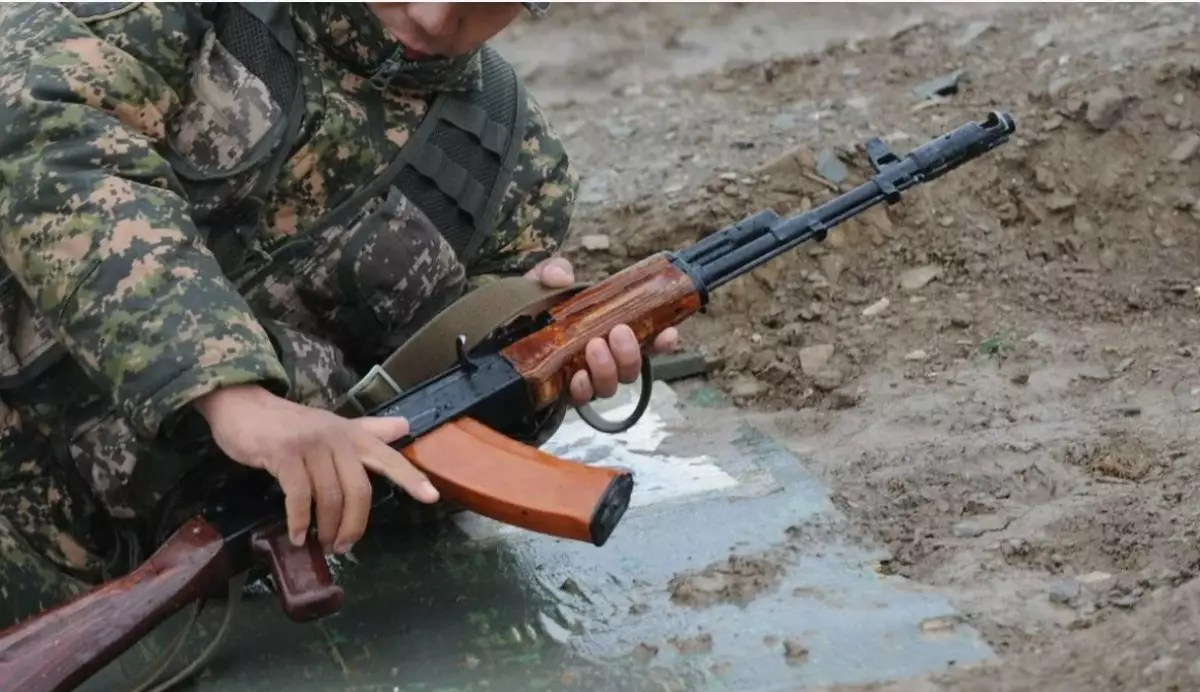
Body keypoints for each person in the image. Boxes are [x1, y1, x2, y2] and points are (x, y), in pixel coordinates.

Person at [0, 0, 679, 638]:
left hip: (129, 605)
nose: (435, 16)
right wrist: (229, 391)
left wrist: (538, 381)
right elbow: (39, 136)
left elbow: (414, 477)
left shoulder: (513, 170)